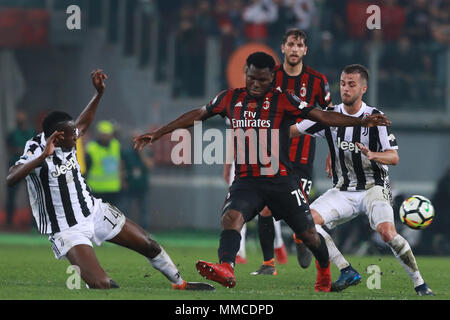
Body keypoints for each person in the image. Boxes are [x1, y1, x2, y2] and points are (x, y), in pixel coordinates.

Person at [134, 52, 390, 291]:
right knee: (230, 218)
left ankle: (324, 269)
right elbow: (198, 114)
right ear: (245, 72)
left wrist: (359, 121)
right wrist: (158, 133)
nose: (256, 83)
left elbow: (322, 116)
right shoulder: (229, 97)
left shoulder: (284, 100)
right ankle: (226, 267)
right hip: (247, 180)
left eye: (263, 79)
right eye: (252, 77)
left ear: (272, 78)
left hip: (281, 180)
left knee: (309, 235)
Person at [6, 69, 214, 291]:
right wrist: (41, 158)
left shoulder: (70, 136)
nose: (77, 136)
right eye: (71, 135)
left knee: (149, 245)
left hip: (94, 211)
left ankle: (180, 283)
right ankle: (92, 278)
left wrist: (98, 94)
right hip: (67, 228)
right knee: (103, 285)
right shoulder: (35, 149)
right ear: (56, 137)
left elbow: (83, 123)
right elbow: (11, 178)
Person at [293, 64, 434, 296]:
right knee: (305, 224)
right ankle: (346, 270)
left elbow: (394, 157)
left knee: (387, 233)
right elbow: (291, 130)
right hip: (343, 190)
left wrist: (373, 154)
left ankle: (420, 284)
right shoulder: (329, 116)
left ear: (363, 88)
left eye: (352, 84)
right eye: (343, 83)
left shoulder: (375, 117)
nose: (346, 89)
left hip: (374, 187)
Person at [249, 28, 334, 275]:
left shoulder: (317, 81)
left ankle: (300, 238)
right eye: (291, 44)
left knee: (299, 211)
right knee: (264, 209)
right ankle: (268, 264)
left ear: (305, 50)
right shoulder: (269, 76)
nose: (295, 49)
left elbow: (329, 117)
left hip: (303, 157)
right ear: (283, 48)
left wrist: (332, 151)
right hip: (272, 154)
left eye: (299, 45)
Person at [5, 110, 36, 229]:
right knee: (11, 195)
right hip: (16, 168)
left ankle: (34, 224)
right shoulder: (13, 134)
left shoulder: (32, 133)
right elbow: (10, 148)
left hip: (29, 169)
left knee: (33, 196)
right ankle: (9, 222)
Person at [85, 120, 123, 209]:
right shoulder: (91, 148)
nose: (105, 137)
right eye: (103, 134)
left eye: (107, 134)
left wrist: (122, 179)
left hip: (113, 188)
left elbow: (120, 162)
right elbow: (86, 167)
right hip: (96, 189)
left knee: (114, 218)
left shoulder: (116, 145)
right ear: (98, 134)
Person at [122, 130, 154, 231]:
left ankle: (145, 231)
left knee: (144, 210)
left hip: (142, 186)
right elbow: (121, 167)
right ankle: (124, 230)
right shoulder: (126, 152)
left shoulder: (146, 151)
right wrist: (123, 181)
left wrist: (141, 153)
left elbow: (150, 166)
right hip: (130, 185)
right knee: (125, 209)